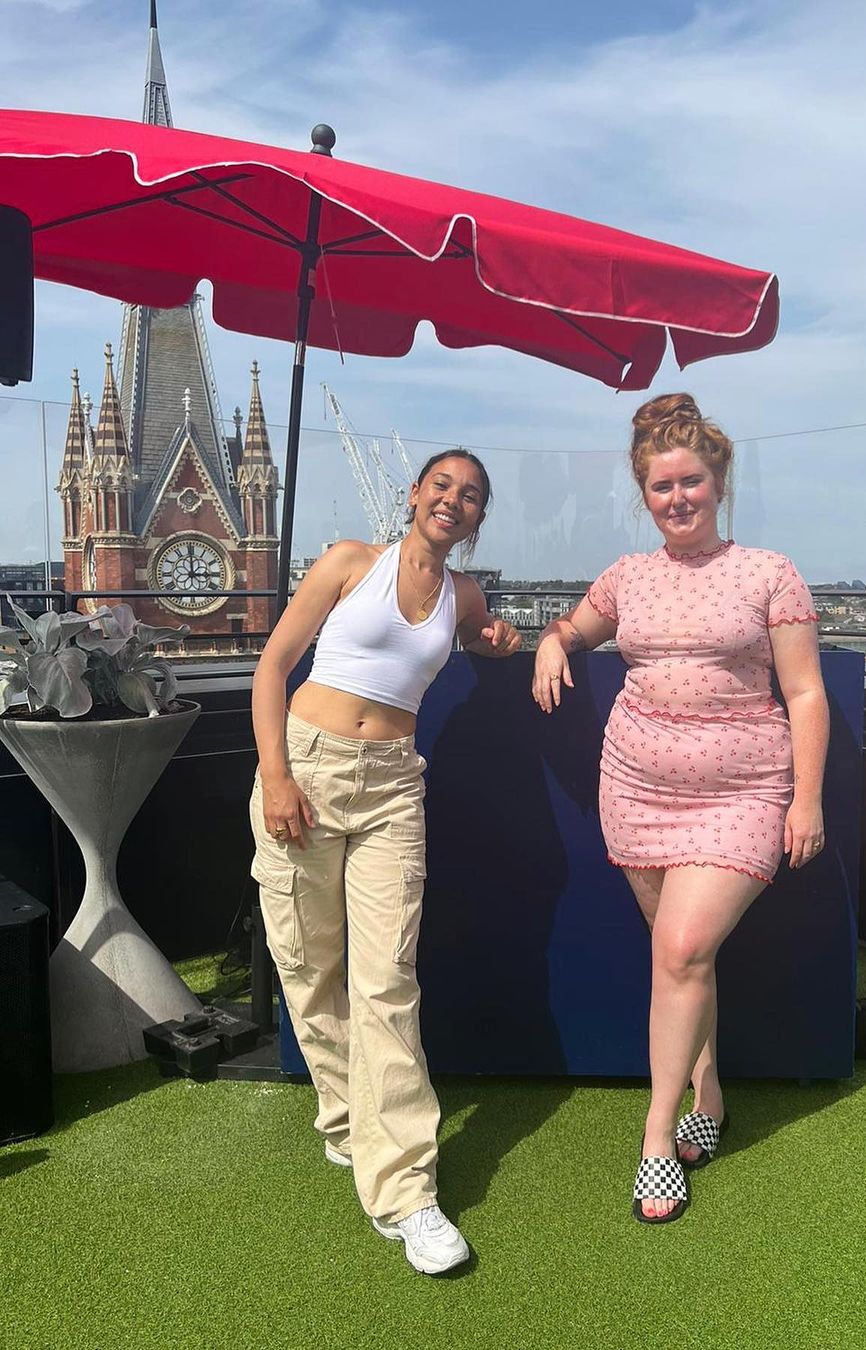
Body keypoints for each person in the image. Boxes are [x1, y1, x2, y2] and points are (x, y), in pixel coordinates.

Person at [531, 393, 828, 1224]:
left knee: (684, 946)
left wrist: (806, 799)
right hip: (636, 788)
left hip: (743, 792)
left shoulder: (770, 573)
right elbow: (574, 628)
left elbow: (805, 693)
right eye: (661, 486)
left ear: (719, 482)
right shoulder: (628, 577)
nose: (677, 498)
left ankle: (657, 1139)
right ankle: (709, 1090)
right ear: (644, 494)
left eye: (690, 481)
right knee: (682, 962)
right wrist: (552, 642)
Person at [249, 448, 520, 1274]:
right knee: (306, 963)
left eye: (469, 496)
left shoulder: (464, 595)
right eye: (442, 485)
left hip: (394, 786)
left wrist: (505, 642)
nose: (453, 501)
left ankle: (406, 1193)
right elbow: (273, 667)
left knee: (387, 982)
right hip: (307, 766)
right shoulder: (348, 562)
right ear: (414, 494)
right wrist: (276, 777)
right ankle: (347, 1119)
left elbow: (482, 637)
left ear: (478, 519)